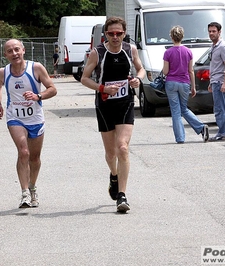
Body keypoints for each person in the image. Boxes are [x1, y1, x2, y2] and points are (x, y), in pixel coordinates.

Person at [81, 16, 145, 213]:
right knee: (110, 154)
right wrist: (102, 88)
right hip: (105, 105)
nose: (115, 37)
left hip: (125, 103)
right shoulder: (97, 53)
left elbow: (141, 69)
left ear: (124, 34)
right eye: (111, 33)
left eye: (119, 33)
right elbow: (84, 78)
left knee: (122, 148)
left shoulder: (130, 49)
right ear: (105, 34)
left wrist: (137, 80)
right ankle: (114, 174)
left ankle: (122, 195)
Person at [0, 39, 57, 208]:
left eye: (16, 50)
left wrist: (38, 96)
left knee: (34, 158)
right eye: (9, 51)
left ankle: (32, 187)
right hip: (15, 117)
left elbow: (52, 88)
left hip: (35, 118)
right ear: (5, 55)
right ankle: (24, 194)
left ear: (23, 50)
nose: (14, 54)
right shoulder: (3, 72)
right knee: (23, 152)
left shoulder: (36, 68)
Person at [162, 25, 209, 144]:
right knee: (184, 108)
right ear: (182, 37)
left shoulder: (168, 52)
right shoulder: (188, 52)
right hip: (185, 82)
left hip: (171, 82)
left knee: (175, 111)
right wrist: (193, 87)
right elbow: (191, 70)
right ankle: (201, 127)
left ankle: (180, 138)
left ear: (171, 37)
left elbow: (166, 71)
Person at [207, 22, 225, 141]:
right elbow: (216, 66)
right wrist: (211, 82)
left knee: (219, 109)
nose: (211, 33)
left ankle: (222, 133)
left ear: (219, 32)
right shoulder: (214, 46)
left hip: (220, 82)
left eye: (214, 31)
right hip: (216, 81)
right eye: (210, 31)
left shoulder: (222, 46)